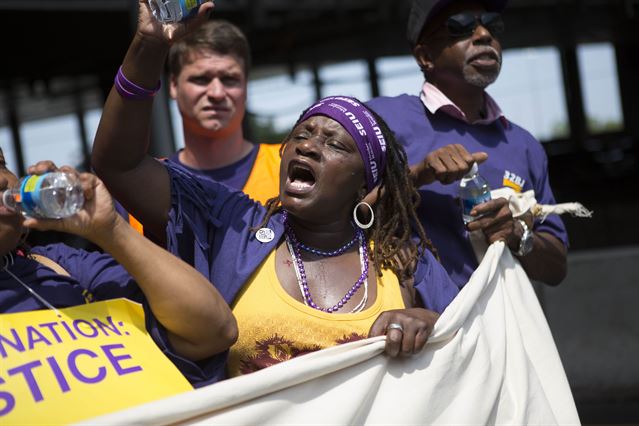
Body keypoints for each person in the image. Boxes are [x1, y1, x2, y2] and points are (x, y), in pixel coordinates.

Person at [91, 0, 459, 377]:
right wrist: (148, 45)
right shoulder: (233, 228)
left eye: (334, 144)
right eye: (300, 135)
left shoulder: (405, 262)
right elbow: (120, 164)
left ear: (364, 182)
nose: (309, 146)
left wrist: (429, 323)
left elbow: (475, 347)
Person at [367, 0, 568, 288]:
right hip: (417, 327)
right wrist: (417, 176)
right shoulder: (382, 121)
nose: (484, 34)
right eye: (460, 25)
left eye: (492, 25)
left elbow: (557, 267)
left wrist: (516, 234)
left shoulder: (523, 145)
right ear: (425, 56)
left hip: (503, 328)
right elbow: (337, 213)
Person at [0, 150, 237, 387]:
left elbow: (215, 330)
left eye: (1, 164)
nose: (2, 179)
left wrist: (111, 230)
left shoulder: (57, 264)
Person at [117, 18, 280, 235]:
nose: (217, 93)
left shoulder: (287, 167)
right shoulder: (142, 184)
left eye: (230, 79)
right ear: (173, 86)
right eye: (201, 79)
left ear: (246, 87)